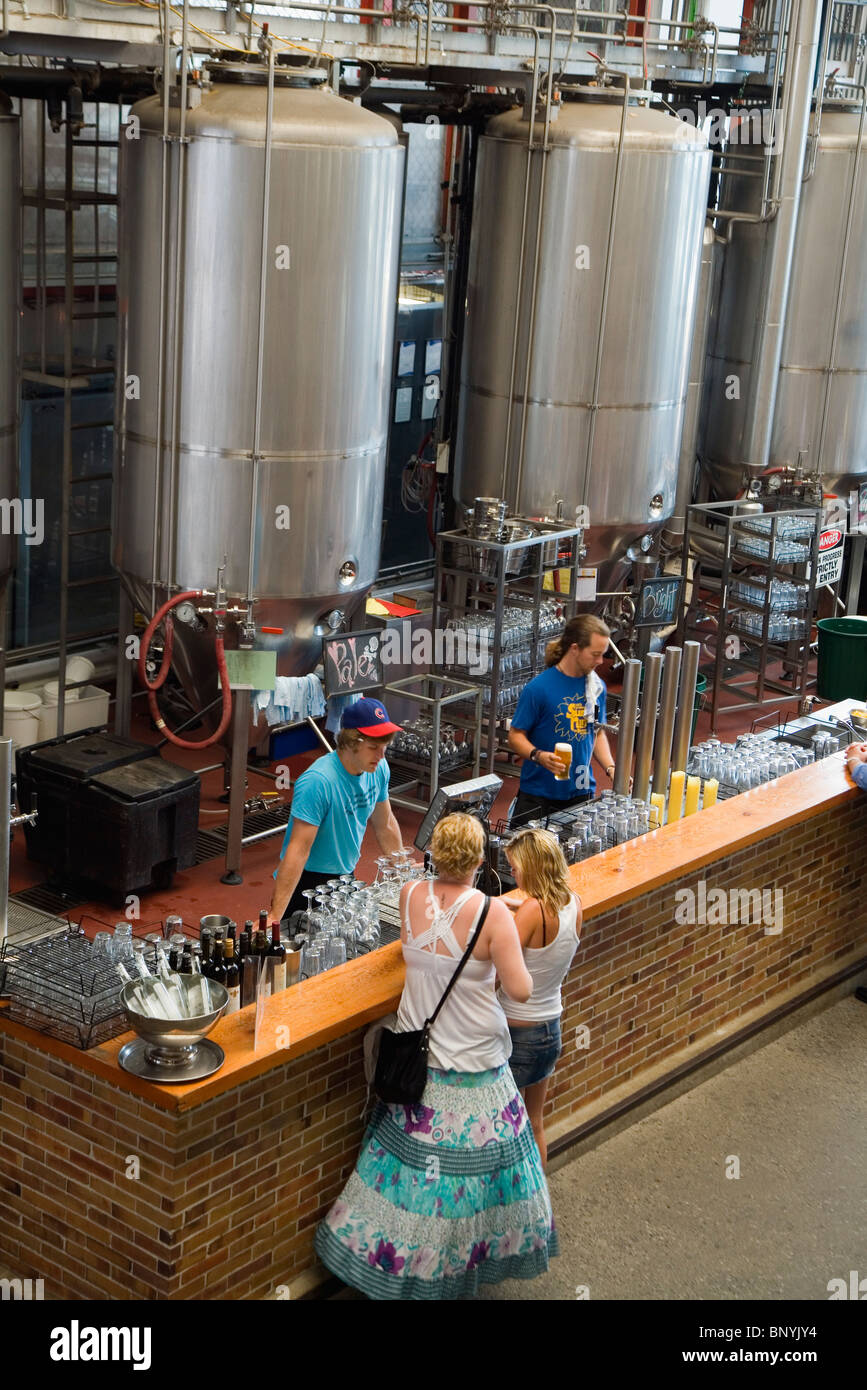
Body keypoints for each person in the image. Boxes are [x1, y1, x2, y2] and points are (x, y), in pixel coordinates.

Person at [315, 812, 559, 1299]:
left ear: (436, 853)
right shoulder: (492, 915)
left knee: (409, 1175)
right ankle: (452, 1268)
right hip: (474, 1058)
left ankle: (394, 1264)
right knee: (470, 1181)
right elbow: (521, 989)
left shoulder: (408, 896)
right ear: (478, 859)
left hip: (416, 1059)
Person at [269, 696, 404, 920]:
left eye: (385, 748)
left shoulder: (379, 769)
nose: (381, 756)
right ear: (351, 743)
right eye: (373, 748)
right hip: (307, 883)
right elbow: (298, 851)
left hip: (345, 876)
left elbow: (385, 823)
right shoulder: (318, 781)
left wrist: (401, 873)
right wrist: (275, 916)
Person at [499, 827, 581, 1169]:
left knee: (501, 1129)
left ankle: (503, 1211)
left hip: (518, 1034)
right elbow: (543, 916)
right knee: (534, 1122)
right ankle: (537, 1204)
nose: (513, 874)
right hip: (550, 1027)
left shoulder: (532, 911)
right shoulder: (574, 903)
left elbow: (503, 961)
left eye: (516, 869)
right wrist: (510, 902)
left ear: (532, 868)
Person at [507, 613, 616, 826]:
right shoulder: (538, 689)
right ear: (574, 648)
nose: (600, 661)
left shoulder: (596, 687)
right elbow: (515, 736)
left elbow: (597, 732)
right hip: (538, 796)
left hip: (580, 791)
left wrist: (611, 768)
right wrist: (538, 756)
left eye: (602, 654)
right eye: (595, 654)